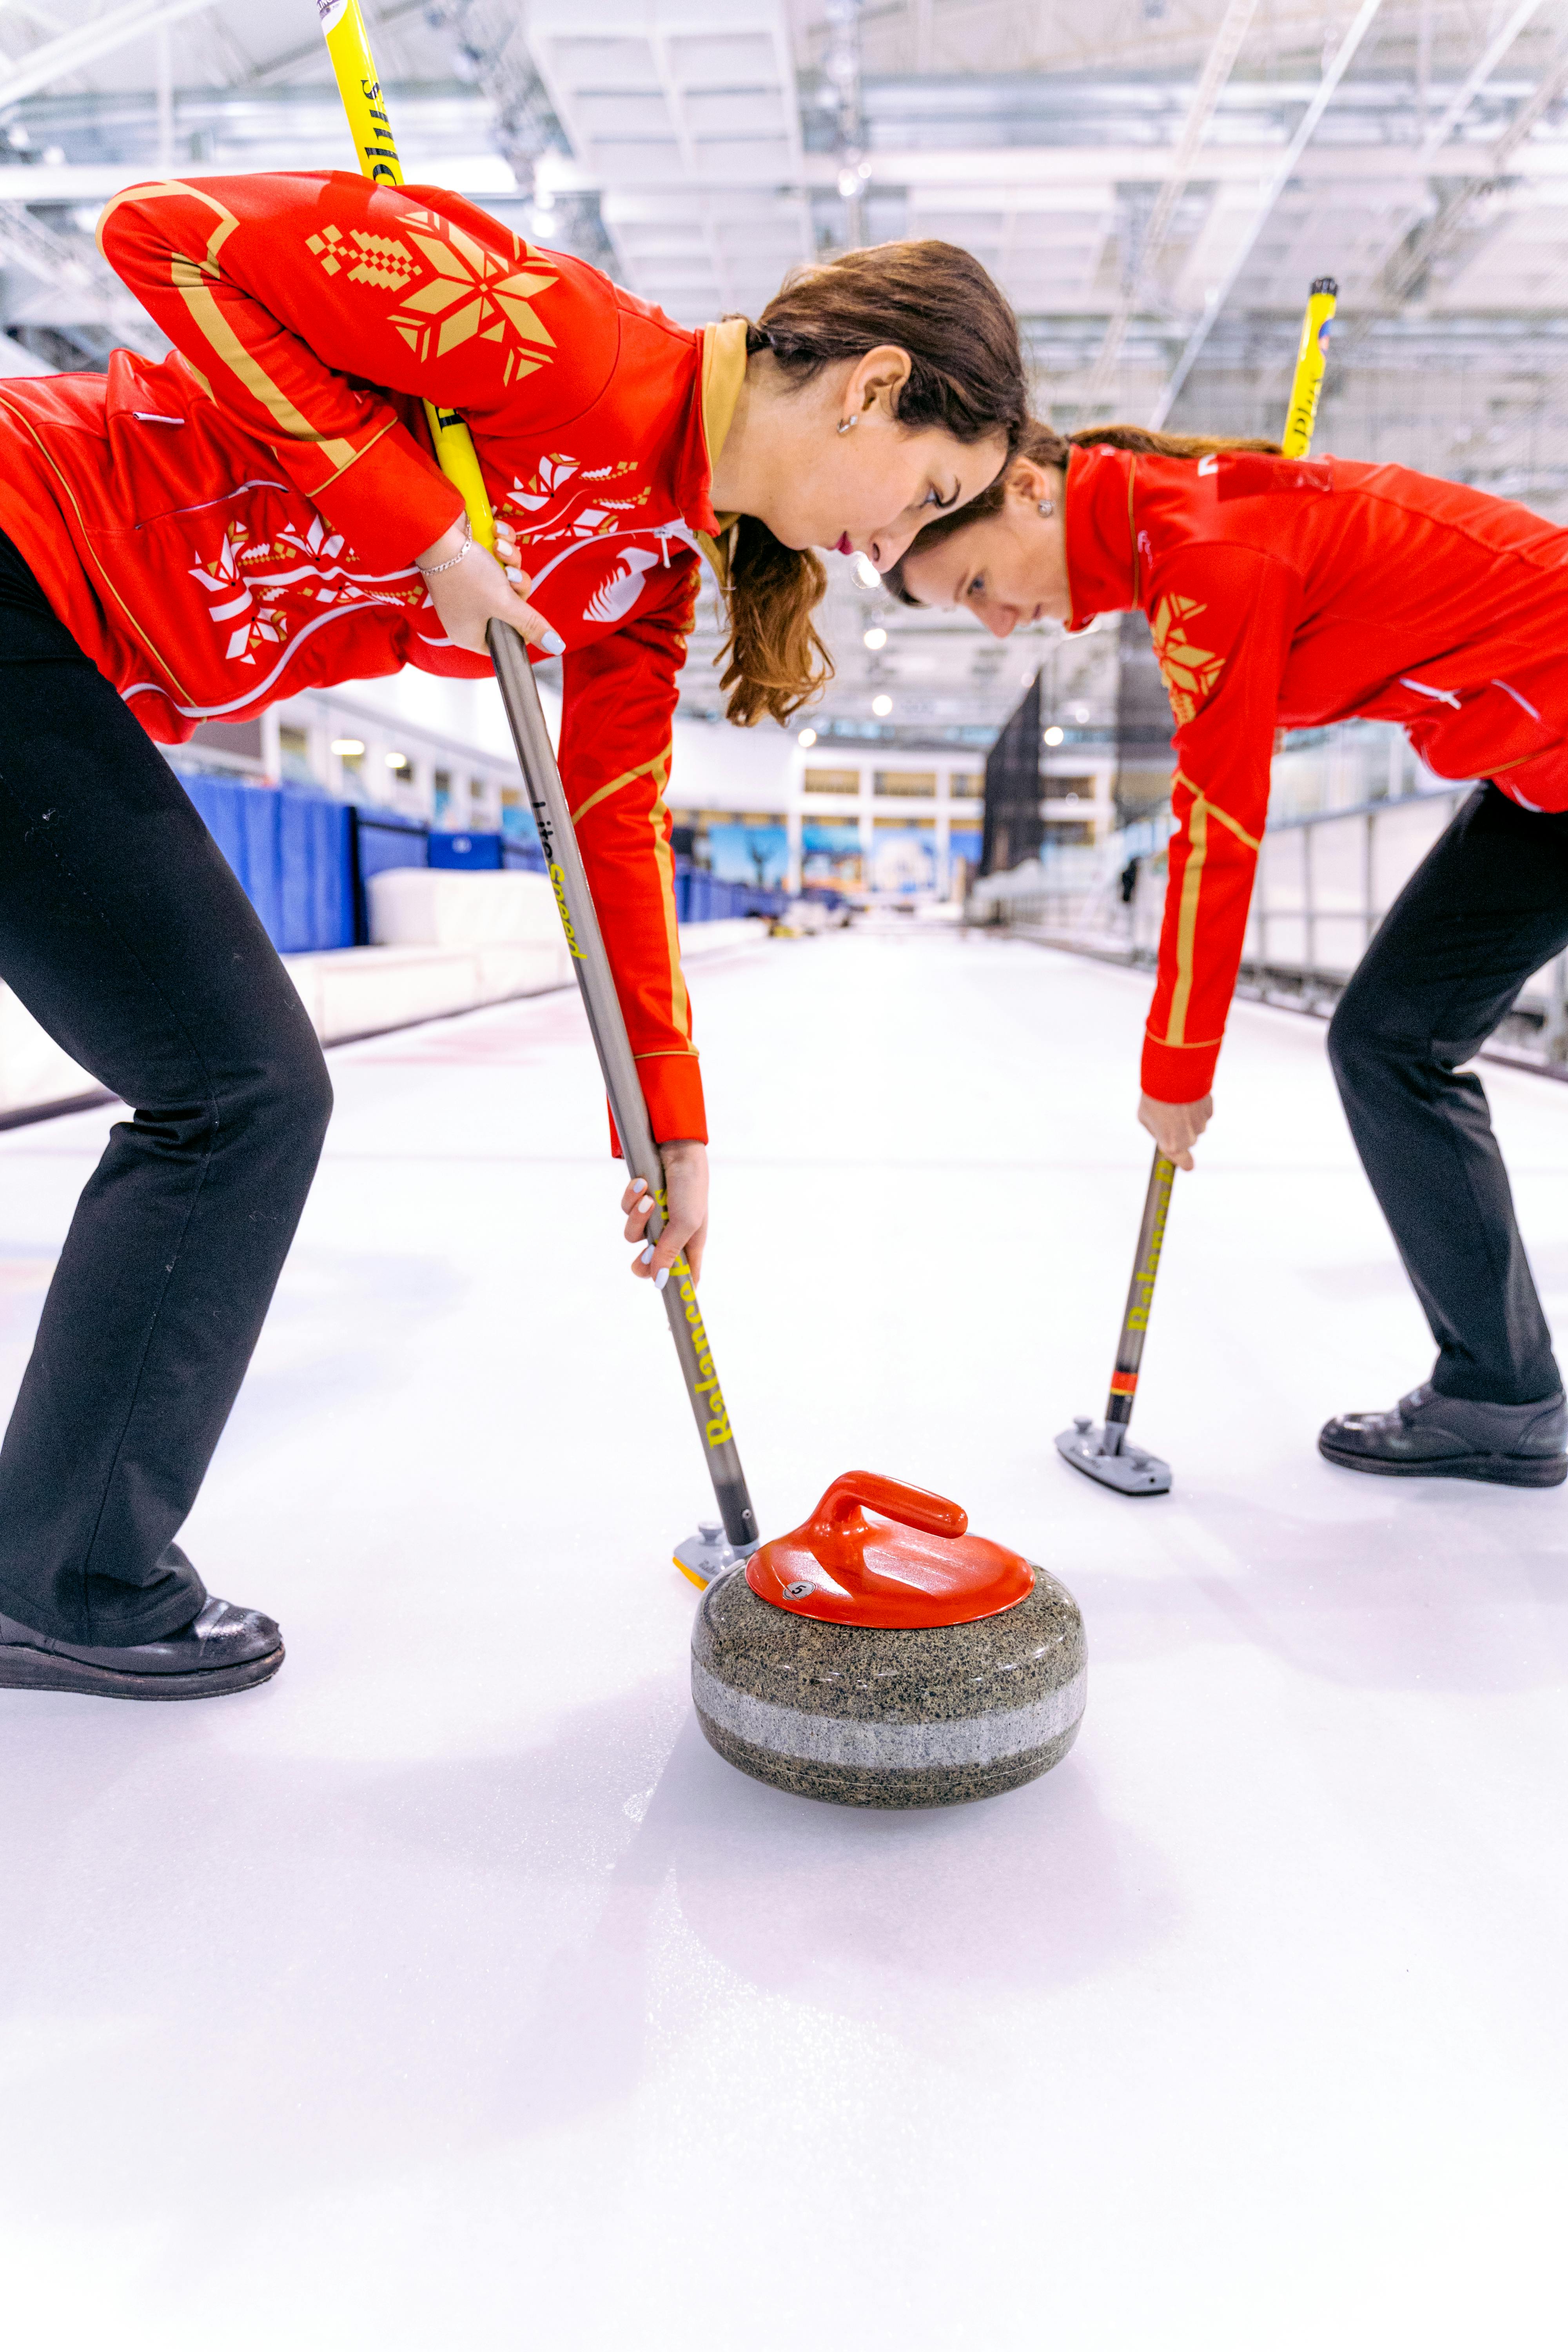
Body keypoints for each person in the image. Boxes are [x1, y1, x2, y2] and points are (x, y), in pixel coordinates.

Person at [0, 172, 1027, 1701]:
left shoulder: (644, 572)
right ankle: (65, 1575)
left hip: (68, 665)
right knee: (238, 1091)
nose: (899, 544)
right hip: (25, 549)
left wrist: (667, 1131)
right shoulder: (556, 340)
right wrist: (413, 523)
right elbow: (169, 235)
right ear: (876, 389)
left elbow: (610, 837)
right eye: (933, 491)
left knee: (228, 1087)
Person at [891, 417, 1568, 1490]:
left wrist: (1175, 1069)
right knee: (1391, 1041)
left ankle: (1502, 1390)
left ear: (1026, 488)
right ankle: (1502, 1393)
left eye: (977, 584)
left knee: (1393, 1041)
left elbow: (1217, 826)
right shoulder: (1179, 539)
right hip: (1543, 783)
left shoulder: (1203, 552)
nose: (1003, 619)